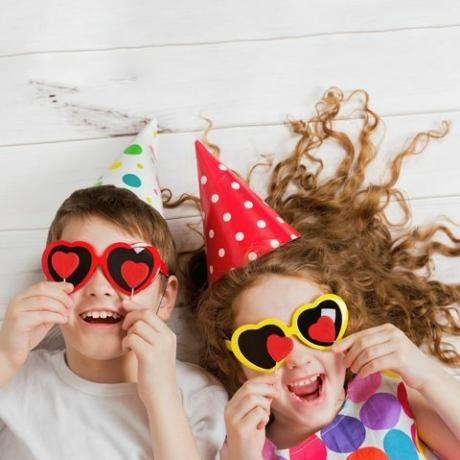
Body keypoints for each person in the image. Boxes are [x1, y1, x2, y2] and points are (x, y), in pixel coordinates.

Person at [186, 89, 460, 459]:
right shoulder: (244, 449)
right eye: (264, 342)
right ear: (235, 363)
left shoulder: (393, 396)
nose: (297, 358)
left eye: (315, 323)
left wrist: (424, 371)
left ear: (347, 323)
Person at [0, 184, 227, 460]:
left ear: (166, 298)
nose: (99, 287)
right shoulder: (13, 380)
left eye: (126, 267)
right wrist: (5, 357)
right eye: (79, 266)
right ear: (49, 284)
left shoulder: (199, 396)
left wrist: (162, 395)